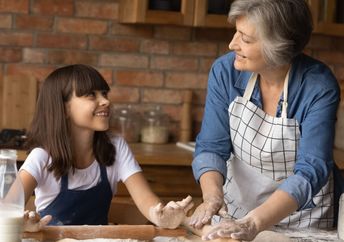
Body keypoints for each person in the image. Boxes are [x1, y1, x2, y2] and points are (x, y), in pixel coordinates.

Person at [189, 0, 341, 241]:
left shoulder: (317, 86)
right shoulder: (225, 72)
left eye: (246, 39)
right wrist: (212, 198)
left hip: (302, 218)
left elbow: (311, 169)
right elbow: (211, 147)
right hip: (236, 213)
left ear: (278, 47)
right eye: (236, 33)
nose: (232, 44)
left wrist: (255, 222)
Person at [19, 64, 193, 231]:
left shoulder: (115, 146)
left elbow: (146, 200)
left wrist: (163, 217)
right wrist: (21, 224)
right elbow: (7, 209)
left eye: (104, 93)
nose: (105, 101)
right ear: (64, 108)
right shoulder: (42, 157)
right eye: (91, 95)